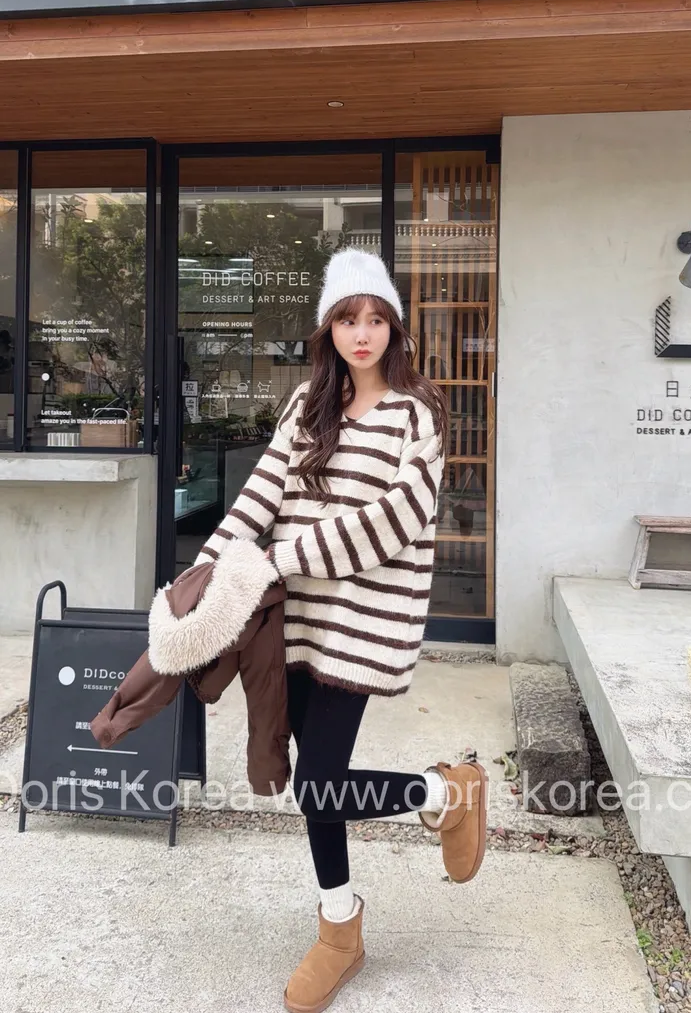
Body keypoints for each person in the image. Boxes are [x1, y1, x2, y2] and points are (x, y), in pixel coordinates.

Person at [194, 248, 488, 1013]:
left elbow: (393, 520)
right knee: (316, 785)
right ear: (329, 327)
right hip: (294, 620)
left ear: (394, 327)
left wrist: (279, 559)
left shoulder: (417, 414)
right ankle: (340, 925)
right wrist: (202, 575)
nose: (363, 333)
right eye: (349, 318)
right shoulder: (307, 404)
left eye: (377, 318)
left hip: (362, 624)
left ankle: (445, 791)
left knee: (319, 781)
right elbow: (259, 496)